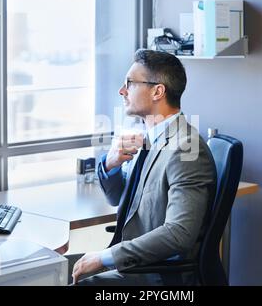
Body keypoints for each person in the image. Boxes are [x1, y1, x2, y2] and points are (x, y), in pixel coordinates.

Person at [71, 49, 217, 286]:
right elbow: (117, 196)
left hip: (158, 277)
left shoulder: (187, 149)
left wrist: (105, 258)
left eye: (129, 83)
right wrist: (111, 163)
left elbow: (179, 233)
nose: (122, 91)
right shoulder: (150, 138)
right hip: (135, 264)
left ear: (158, 91)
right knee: (55, 269)